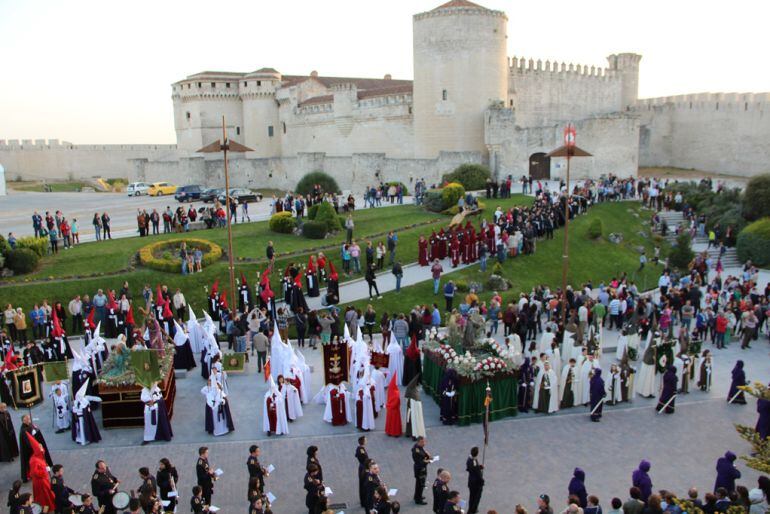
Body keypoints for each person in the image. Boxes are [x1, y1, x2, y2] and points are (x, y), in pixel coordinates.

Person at [24, 432, 55, 513]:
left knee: (47, 495)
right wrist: (45, 469)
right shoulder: (34, 460)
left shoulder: (39, 456)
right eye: (41, 448)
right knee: (44, 498)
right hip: (40, 482)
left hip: (43, 480)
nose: (42, 450)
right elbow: (34, 473)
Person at [19, 414, 52, 482]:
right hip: (29, 450)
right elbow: (28, 442)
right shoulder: (23, 430)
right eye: (27, 419)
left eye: (29, 419)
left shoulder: (30, 425)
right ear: (23, 421)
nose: (29, 420)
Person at [71, 379, 101, 445]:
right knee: (79, 427)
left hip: (85, 416)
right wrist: (74, 409)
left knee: (86, 426)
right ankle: (81, 438)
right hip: (78, 417)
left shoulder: (85, 398)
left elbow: (93, 398)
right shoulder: (76, 401)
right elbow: (74, 408)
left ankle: (88, 437)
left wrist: (100, 399)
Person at [404, 374, 426, 439]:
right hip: (414, 410)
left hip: (410, 410)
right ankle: (414, 434)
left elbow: (406, 399)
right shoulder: (415, 392)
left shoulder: (410, 390)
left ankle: (409, 433)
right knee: (415, 422)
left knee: (410, 422)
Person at [412, 436, 432, 505]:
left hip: (421, 469)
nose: (424, 443)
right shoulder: (416, 451)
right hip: (420, 470)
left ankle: (417, 496)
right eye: (422, 442)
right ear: (419, 442)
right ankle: (418, 500)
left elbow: (423, 454)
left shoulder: (419, 447)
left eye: (424, 441)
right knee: (420, 485)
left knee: (418, 484)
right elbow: (420, 462)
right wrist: (428, 461)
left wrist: (428, 455)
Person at [467, 446, 485, 514]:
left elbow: (472, 468)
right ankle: (473, 510)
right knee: (476, 498)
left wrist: (479, 467)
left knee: (472, 497)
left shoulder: (469, 459)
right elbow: (476, 472)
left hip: (471, 482)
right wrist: (482, 481)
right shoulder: (473, 460)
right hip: (476, 483)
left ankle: (471, 509)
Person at [356, 436, 369, 507]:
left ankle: (363, 500)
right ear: (363, 441)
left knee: (362, 484)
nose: (366, 441)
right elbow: (365, 459)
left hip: (361, 467)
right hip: (363, 468)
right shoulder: (362, 450)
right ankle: (364, 501)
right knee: (363, 485)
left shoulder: (359, 448)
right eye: (365, 440)